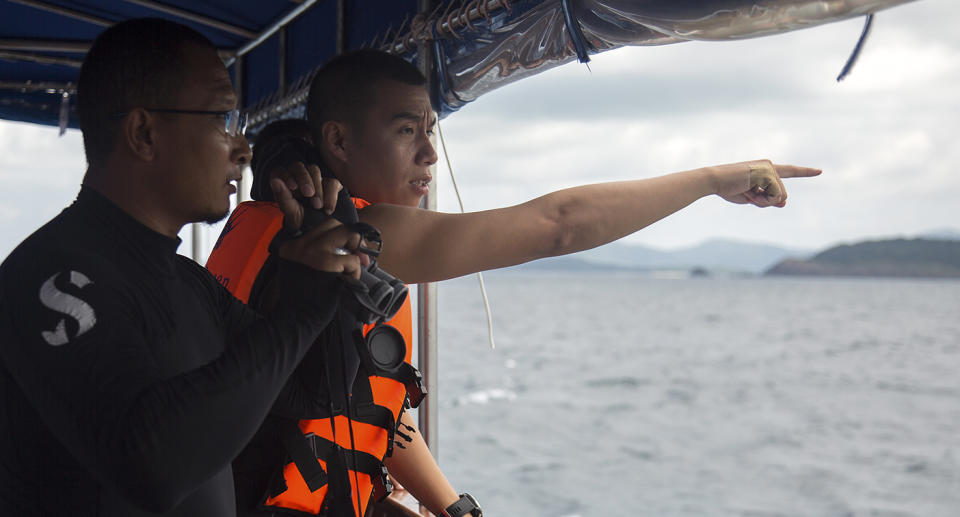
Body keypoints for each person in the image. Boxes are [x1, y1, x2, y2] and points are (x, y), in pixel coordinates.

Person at [0, 19, 366, 517]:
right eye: (220, 118)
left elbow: (315, 393)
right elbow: (151, 466)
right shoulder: (48, 280)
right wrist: (298, 316)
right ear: (143, 134)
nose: (242, 149)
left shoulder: (189, 283)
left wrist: (334, 278)